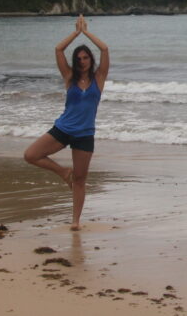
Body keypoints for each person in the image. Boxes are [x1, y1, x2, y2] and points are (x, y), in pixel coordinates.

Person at [24, 14, 109, 231]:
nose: (82, 61)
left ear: (91, 59)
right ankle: (63, 173)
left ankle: (75, 221)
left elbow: (105, 49)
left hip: (85, 134)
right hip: (63, 128)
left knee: (80, 179)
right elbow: (58, 50)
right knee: (31, 155)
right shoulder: (69, 77)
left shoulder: (99, 78)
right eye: (79, 58)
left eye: (85, 58)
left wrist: (87, 32)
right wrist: (76, 33)